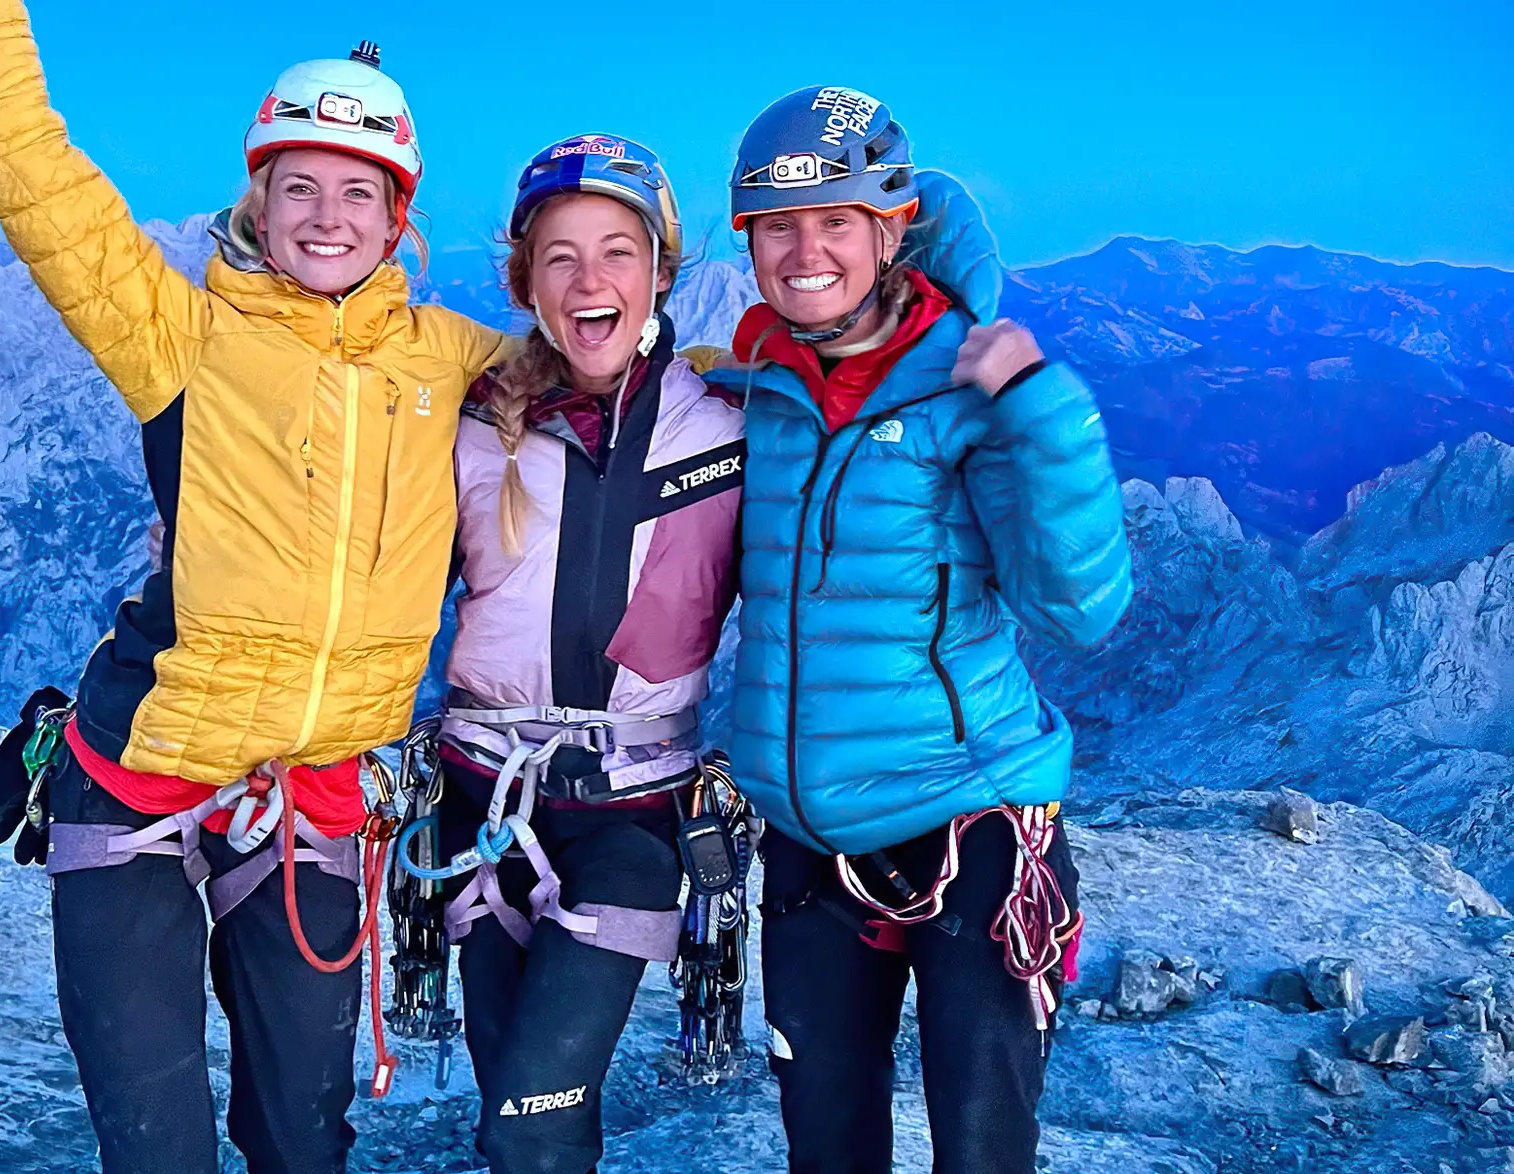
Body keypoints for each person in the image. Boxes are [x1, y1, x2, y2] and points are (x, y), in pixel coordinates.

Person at [0, 4, 511, 1172]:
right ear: (256, 201)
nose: (326, 217)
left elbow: (603, 383)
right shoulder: (176, 336)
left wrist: (732, 368)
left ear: (399, 214)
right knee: (159, 1148)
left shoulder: (450, 363)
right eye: (298, 188)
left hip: (309, 802)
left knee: (304, 1137)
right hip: (133, 785)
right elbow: (29, 170)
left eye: (359, 192)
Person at [706, 87, 1132, 1173]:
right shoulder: (749, 387)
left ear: (890, 230)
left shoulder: (965, 383)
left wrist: (1037, 399)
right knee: (824, 1146)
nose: (806, 252)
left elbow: (1080, 611)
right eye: (777, 228)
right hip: (807, 837)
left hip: (971, 824)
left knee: (981, 1151)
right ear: (748, 242)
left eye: (836, 222)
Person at [401, 134, 744, 1174]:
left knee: (532, 1119)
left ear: (660, 273)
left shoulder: (733, 429)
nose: (587, 280)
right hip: (479, 811)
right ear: (523, 282)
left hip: (633, 820)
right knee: (516, 1124)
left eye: (615, 252)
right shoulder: (466, 430)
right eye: (557, 257)